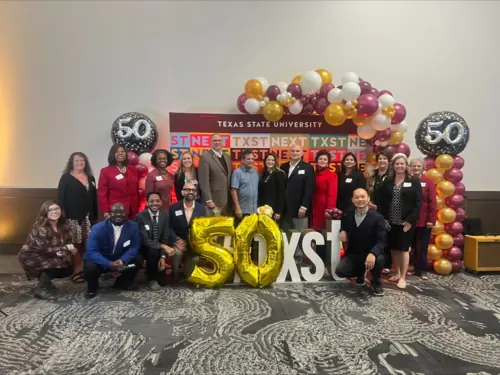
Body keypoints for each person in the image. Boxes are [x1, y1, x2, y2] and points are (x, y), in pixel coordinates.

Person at [375, 153, 422, 289]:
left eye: (402, 163)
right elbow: (381, 200)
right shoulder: (388, 181)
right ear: (393, 165)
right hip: (390, 221)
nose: (399, 166)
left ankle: (403, 277)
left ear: (406, 165)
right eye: (397, 164)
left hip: (405, 222)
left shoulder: (413, 181)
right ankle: (397, 271)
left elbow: (418, 203)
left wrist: (409, 221)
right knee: (394, 249)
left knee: (403, 249)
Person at [18, 201, 77, 300]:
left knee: (68, 268)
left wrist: (67, 251)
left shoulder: (65, 225)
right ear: (45, 213)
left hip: (51, 254)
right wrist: (64, 249)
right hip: (32, 256)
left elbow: (68, 243)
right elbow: (43, 249)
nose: (54, 212)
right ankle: (42, 289)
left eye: (56, 209)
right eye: (50, 210)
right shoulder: (40, 227)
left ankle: (45, 283)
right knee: (55, 264)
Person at [83, 202, 142, 299]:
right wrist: (108, 263)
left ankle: (122, 284)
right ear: (109, 213)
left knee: (138, 260)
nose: (118, 214)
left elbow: (134, 247)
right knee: (90, 266)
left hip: (120, 261)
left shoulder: (133, 227)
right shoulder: (97, 228)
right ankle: (92, 288)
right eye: (114, 212)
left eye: (121, 212)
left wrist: (122, 260)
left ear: (126, 213)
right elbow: (92, 251)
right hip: (101, 261)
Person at [335, 189, 386, 296]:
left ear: (368, 199)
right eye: (357, 197)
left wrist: (373, 253)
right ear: (353, 200)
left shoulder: (378, 218)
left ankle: (376, 283)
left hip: (371, 253)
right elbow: (343, 225)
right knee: (340, 271)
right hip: (354, 253)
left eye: (363, 197)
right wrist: (342, 231)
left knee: (379, 259)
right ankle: (360, 273)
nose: (360, 200)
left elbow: (381, 241)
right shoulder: (348, 214)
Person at [57, 152, 98, 283]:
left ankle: (87, 269)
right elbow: (61, 199)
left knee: (88, 244)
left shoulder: (90, 177)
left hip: (88, 218)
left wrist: (95, 216)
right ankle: (77, 271)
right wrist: (62, 217)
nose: (80, 163)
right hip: (73, 218)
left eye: (82, 161)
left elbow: (93, 199)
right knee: (76, 245)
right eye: (77, 161)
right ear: (72, 163)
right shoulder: (66, 178)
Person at [135, 192, 175, 289]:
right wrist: (163, 246)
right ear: (147, 203)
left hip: (159, 248)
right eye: (151, 201)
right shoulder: (140, 216)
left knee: (163, 282)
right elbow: (144, 240)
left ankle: (154, 271)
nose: (155, 203)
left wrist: (163, 256)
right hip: (144, 248)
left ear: (161, 202)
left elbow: (165, 238)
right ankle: (151, 279)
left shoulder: (165, 215)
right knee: (152, 250)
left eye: (157, 201)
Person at [168, 182, 206, 274]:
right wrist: (176, 240)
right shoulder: (174, 208)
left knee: (188, 274)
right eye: (187, 190)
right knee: (177, 253)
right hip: (178, 241)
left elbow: (203, 228)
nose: (191, 192)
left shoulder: (202, 209)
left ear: (196, 193)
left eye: (193, 190)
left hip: (193, 243)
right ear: (182, 192)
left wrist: (189, 242)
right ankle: (175, 273)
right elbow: (169, 226)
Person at [409, 158, 437, 280]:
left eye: (418, 166)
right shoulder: (408, 181)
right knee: (413, 246)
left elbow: (433, 202)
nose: (416, 168)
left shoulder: (428, 182)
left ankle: (422, 270)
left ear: (423, 168)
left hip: (424, 220)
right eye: (414, 166)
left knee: (422, 247)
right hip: (410, 221)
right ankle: (415, 268)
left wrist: (431, 219)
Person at [280, 144, 315, 233]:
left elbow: (309, 189)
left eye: (297, 151)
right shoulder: (283, 167)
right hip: (285, 209)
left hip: (299, 209)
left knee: (300, 236)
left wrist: (304, 207)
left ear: (302, 153)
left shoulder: (308, 167)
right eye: (293, 151)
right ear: (289, 152)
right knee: (286, 236)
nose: (295, 153)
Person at [98, 144, 140, 220]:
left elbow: (136, 189)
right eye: (117, 152)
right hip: (116, 210)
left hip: (133, 209)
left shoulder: (133, 169)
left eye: (122, 151)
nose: (120, 153)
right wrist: (106, 211)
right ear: (112, 154)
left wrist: (137, 206)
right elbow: (102, 193)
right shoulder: (105, 171)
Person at [311, 150, 338, 266]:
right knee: (315, 233)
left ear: (328, 163)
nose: (322, 161)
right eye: (320, 159)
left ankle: (322, 262)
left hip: (324, 208)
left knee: (322, 235)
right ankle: (316, 260)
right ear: (317, 161)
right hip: (314, 207)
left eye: (324, 159)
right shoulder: (314, 174)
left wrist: (329, 210)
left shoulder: (332, 175)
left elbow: (332, 194)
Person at [366, 151, 391, 274]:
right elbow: (368, 190)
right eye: (380, 159)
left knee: (384, 237)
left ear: (388, 161)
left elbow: (391, 196)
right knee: (373, 236)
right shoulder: (373, 176)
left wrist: (378, 207)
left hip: (386, 211)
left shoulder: (392, 176)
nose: (382, 161)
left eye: (384, 158)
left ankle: (386, 264)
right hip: (372, 209)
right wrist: (369, 203)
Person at [198, 133, 233, 216]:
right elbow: (204, 181)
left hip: (228, 200)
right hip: (214, 201)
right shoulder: (205, 157)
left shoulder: (227, 157)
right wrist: (208, 200)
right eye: (215, 140)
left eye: (219, 140)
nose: (217, 142)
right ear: (210, 143)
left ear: (222, 143)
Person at [231, 150, 259, 225]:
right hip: (242, 211)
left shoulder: (255, 172)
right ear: (242, 160)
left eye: (252, 159)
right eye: (248, 159)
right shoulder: (237, 173)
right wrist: (237, 207)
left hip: (254, 212)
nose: (251, 161)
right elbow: (233, 191)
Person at [258, 152, 286, 221]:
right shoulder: (264, 173)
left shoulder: (280, 173)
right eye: (268, 160)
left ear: (275, 162)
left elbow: (281, 194)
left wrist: (278, 211)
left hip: (274, 210)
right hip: (263, 209)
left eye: (272, 160)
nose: (270, 162)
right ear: (265, 161)